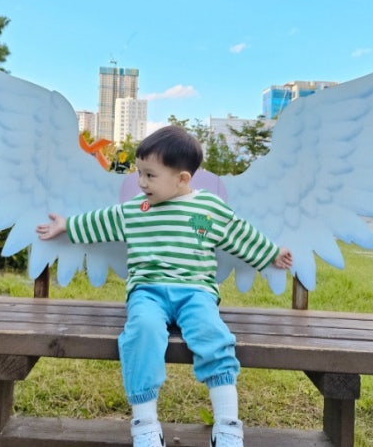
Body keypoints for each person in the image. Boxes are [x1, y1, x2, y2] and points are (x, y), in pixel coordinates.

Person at [36, 125, 293, 447]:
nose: (141, 182)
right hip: (148, 292)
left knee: (213, 334)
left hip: (196, 292)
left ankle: (227, 424)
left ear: (182, 179)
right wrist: (68, 225)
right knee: (141, 331)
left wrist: (271, 253)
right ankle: (145, 424)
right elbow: (103, 220)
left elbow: (239, 233)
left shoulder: (207, 208)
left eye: (150, 175)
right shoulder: (137, 209)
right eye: (139, 173)